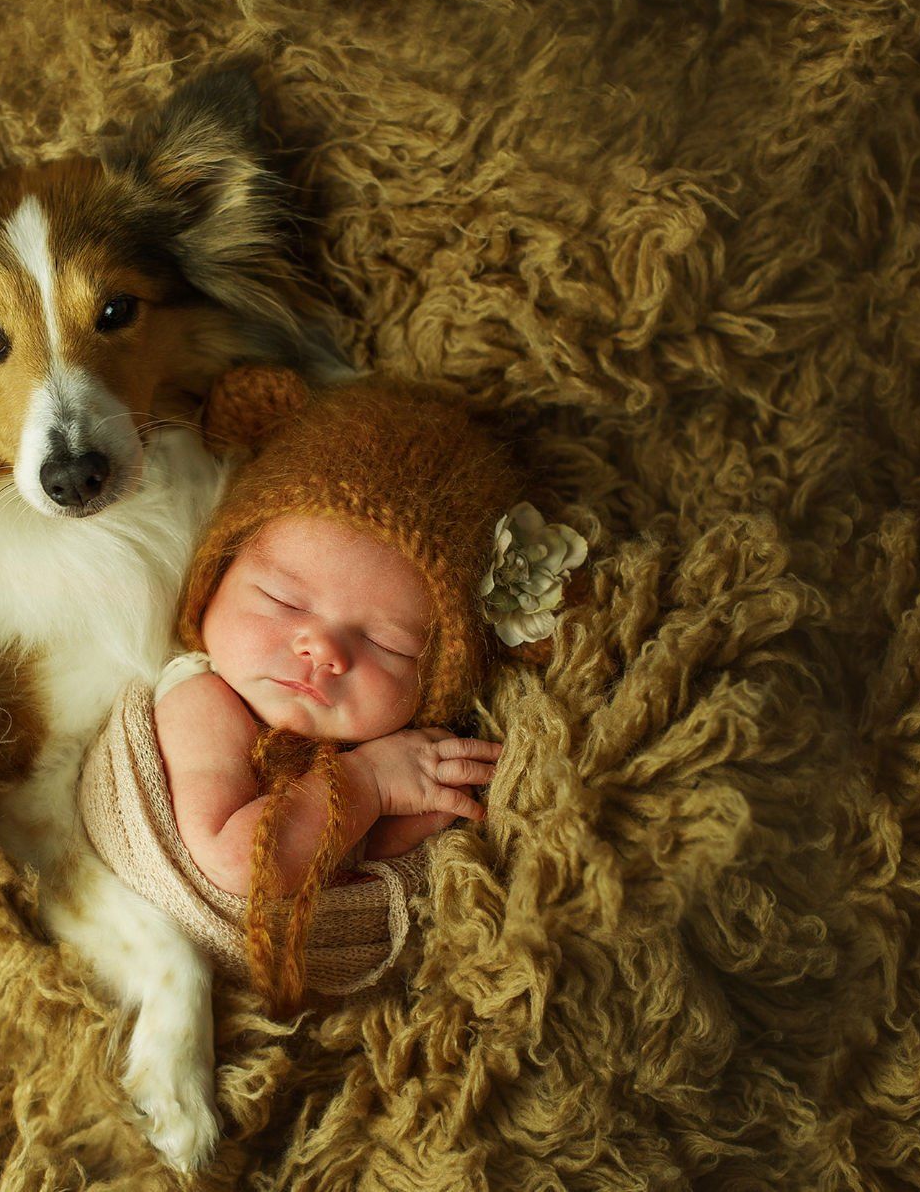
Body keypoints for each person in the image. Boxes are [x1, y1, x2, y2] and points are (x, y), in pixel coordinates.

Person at [78, 368, 588, 1014]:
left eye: (388, 644)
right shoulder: (201, 700)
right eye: (283, 599)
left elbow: (338, 866)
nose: (322, 648)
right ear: (214, 578)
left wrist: (388, 830)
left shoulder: (389, 746)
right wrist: (370, 785)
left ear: (436, 683)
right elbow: (244, 864)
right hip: (149, 962)